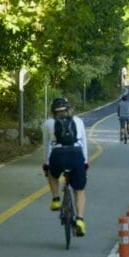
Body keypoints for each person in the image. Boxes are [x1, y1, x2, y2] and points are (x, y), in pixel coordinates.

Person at [42, 97, 89, 236]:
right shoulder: (78, 121)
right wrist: (85, 162)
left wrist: (47, 165)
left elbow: (46, 146)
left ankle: (56, 199)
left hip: (58, 155)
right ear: (69, 110)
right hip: (76, 155)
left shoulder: (48, 123)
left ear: (53, 112)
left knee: (52, 174)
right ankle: (80, 219)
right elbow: (84, 143)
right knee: (79, 190)